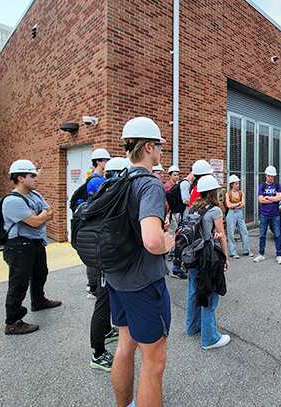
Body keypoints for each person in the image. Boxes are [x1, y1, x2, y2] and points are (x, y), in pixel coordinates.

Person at [108, 116, 175, 407]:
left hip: (116, 278)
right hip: (143, 284)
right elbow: (151, 239)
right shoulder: (150, 184)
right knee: (153, 363)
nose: (161, 151)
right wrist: (166, 243)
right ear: (148, 147)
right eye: (159, 145)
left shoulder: (118, 180)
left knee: (125, 346)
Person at [2, 159, 61, 335]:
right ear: (20, 178)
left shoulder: (35, 195)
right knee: (18, 283)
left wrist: (40, 216)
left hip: (35, 243)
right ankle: (13, 321)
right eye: (32, 176)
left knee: (40, 273)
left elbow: (49, 212)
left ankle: (38, 301)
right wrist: (39, 218)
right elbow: (35, 223)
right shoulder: (12, 201)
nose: (36, 179)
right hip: (19, 246)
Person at [88, 157, 130, 371]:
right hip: (106, 262)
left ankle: (106, 332)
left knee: (107, 305)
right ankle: (97, 353)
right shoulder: (111, 196)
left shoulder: (102, 193)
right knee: (102, 306)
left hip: (102, 259)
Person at [185, 175, 231, 349]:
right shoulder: (215, 211)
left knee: (193, 292)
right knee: (210, 295)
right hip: (206, 258)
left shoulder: (192, 208)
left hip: (192, 256)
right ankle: (209, 338)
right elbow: (222, 236)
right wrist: (225, 257)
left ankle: (192, 327)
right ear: (214, 192)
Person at [170, 160, 213, 279]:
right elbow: (190, 202)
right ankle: (180, 267)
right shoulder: (197, 187)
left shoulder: (195, 187)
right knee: (190, 244)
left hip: (192, 218)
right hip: (193, 219)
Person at [85, 148, 111, 299]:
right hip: (96, 223)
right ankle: (93, 286)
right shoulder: (95, 180)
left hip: (98, 222)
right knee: (95, 256)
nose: (107, 163)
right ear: (98, 162)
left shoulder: (99, 179)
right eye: (105, 160)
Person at [254, 165, 281, 264]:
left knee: (277, 235)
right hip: (264, 214)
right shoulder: (262, 186)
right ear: (265, 175)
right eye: (269, 176)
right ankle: (261, 254)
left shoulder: (278, 185)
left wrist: (267, 198)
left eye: (272, 176)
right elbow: (260, 199)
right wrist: (272, 198)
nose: (270, 177)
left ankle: (279, 255)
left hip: (275, 214)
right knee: (262, 235)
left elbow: (279, 198)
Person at [225, 174, 253, 259]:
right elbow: (228, 206)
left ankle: (247, 250)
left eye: (238, 183)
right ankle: (232, 252)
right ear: (232, 184)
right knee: (231, 233)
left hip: (239, 213)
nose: (238, 185)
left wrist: (236, 205)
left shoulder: (241, 193)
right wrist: (238, 204)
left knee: (244, 232)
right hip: (231, 214)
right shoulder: (228, 194)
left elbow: (243, 204)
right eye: (236, 184)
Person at [164, 165, 181, 261]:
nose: (176, 177)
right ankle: (170, 251)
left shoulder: (176, 186)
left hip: (175, 211)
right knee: (171, 231)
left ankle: (174, 250)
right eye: (174, 175)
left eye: (178, 175)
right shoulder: (167, 186)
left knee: (176, 230)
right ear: (170, 175)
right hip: (169, 212)